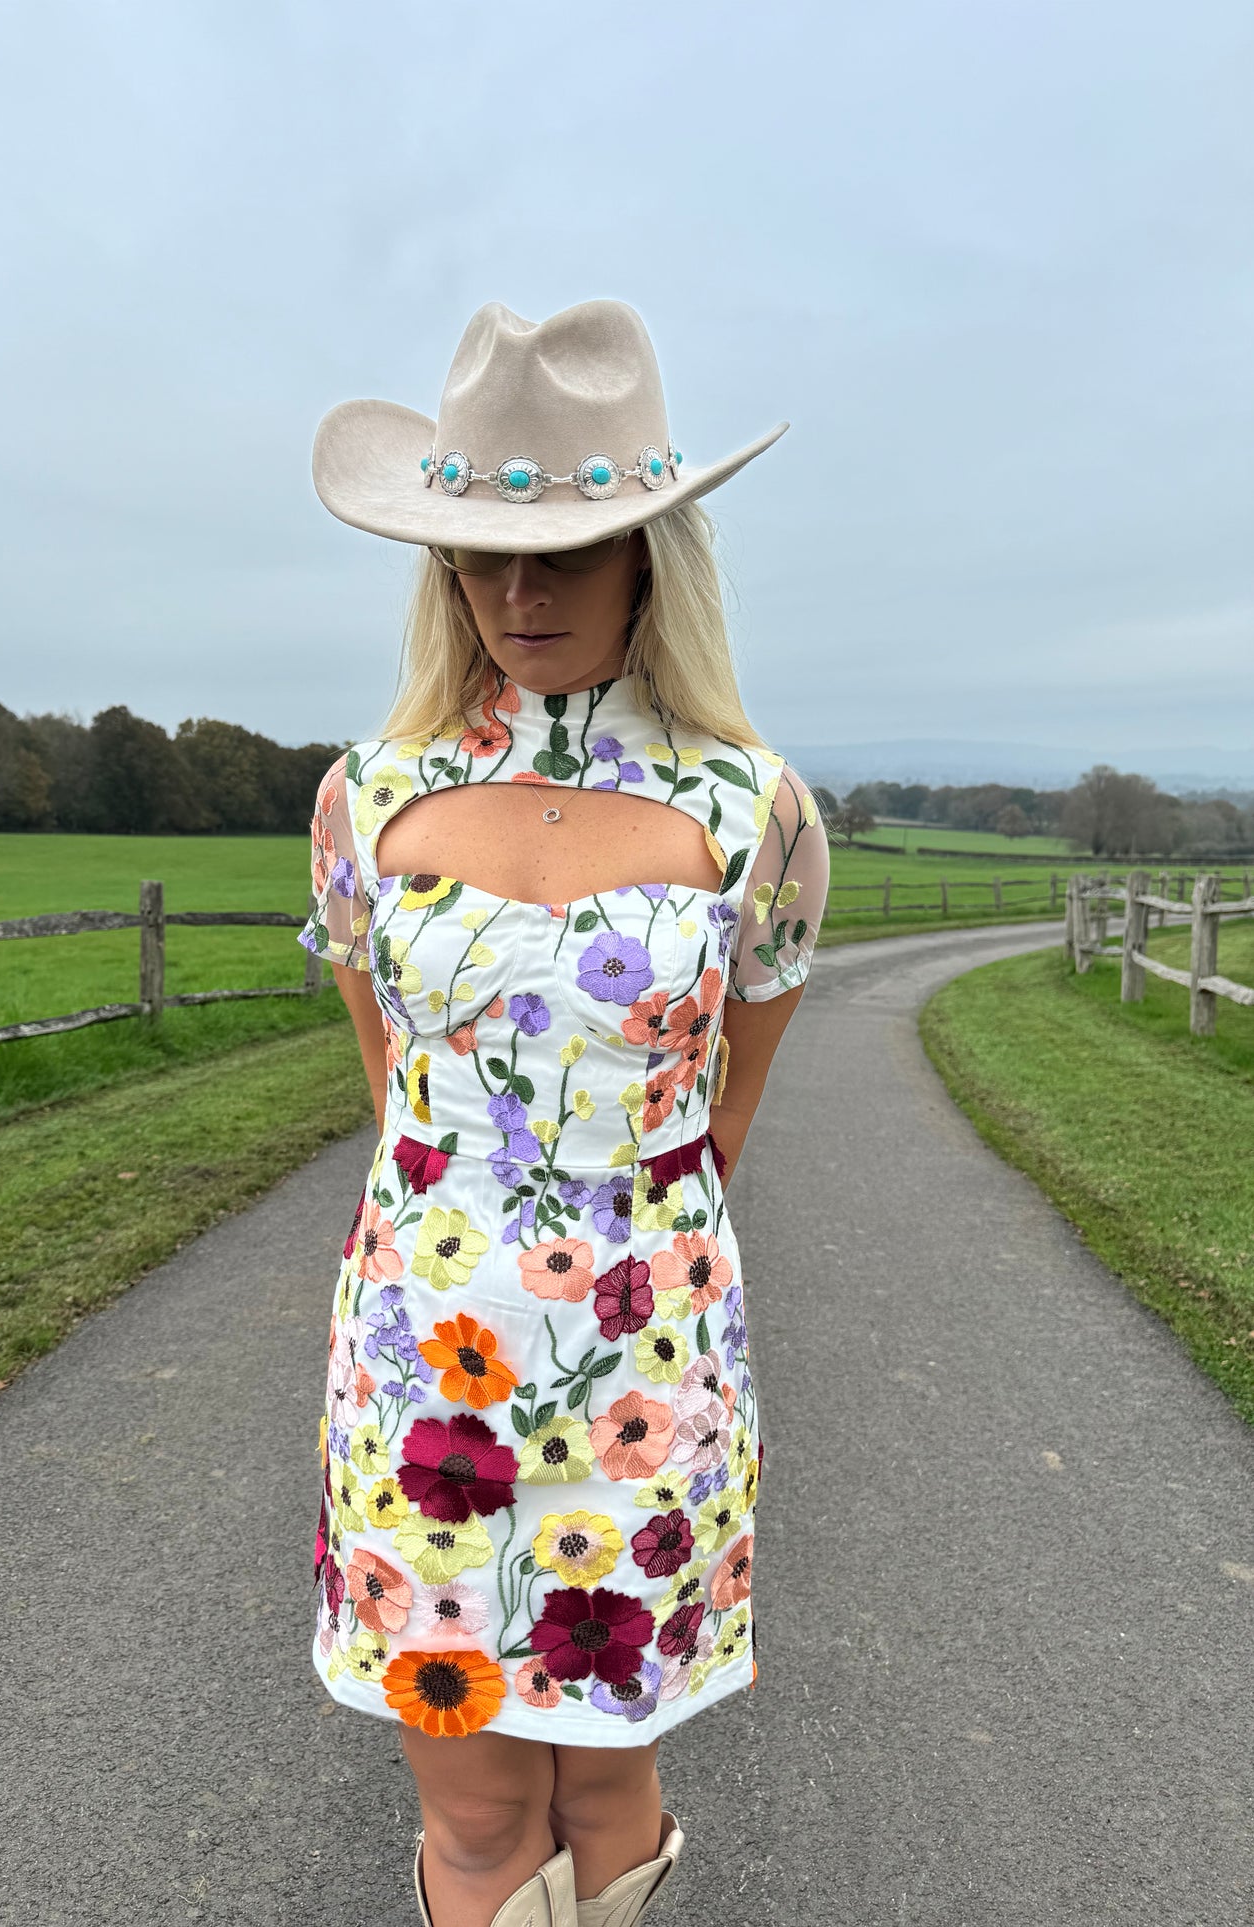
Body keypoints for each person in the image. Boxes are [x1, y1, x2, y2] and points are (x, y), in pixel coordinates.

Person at [300, 299, 831, 1927]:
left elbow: (723, 1109)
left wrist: (616, 1242)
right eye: (480, 554)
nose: (518, 594)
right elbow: (395, 1085)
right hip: (421, 1361)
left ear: (654, 557)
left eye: (572, 552)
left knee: (607, 1774)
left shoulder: (754, 809)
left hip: (646, 1365)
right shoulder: (364, 798)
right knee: (472, 1796)